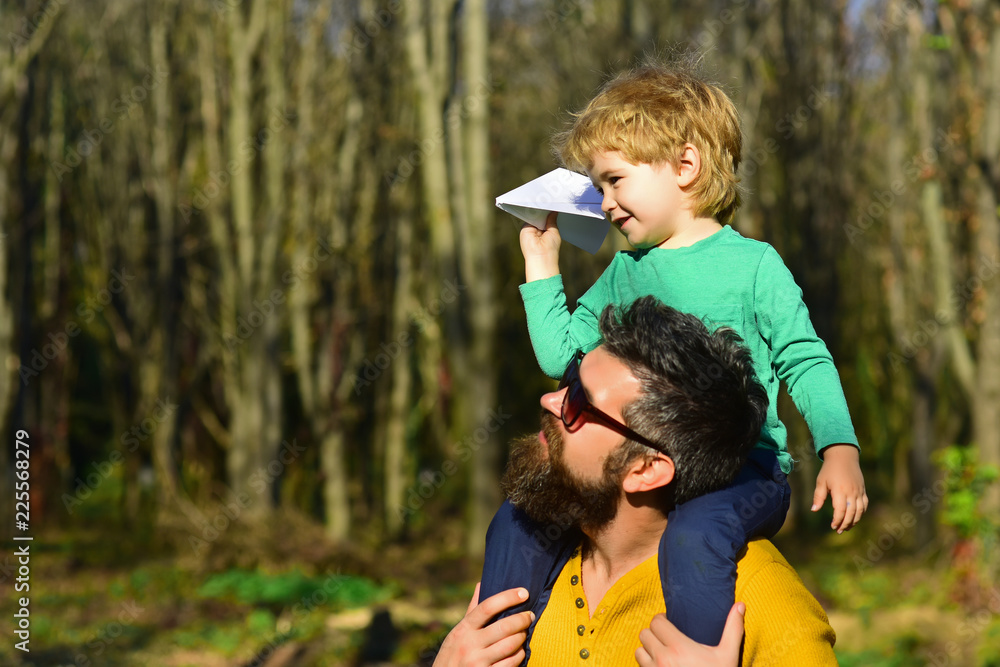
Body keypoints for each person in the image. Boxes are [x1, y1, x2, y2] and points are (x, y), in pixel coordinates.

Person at [481, 61, 867, 646]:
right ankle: (497, 647)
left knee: (694, 538)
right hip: (644, 473)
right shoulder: (622, 272)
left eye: (614, 180)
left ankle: (695, 651)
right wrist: (541, 263)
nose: (605, 202)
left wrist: (839, 449)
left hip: (744, 473)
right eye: (598, 186)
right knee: (517, 517)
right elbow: (560, 357)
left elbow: (805, 359)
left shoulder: (754, 266)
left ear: (685, 166)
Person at [434, 297, 837, 666]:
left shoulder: (762, 598)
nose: (549, 401)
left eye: (577, 400)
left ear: (646, 469)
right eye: (566, 384)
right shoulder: (525, 572)